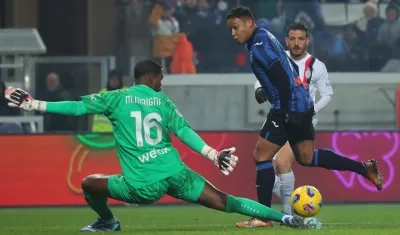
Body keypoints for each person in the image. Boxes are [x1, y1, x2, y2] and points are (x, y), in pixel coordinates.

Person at [4, 59, 322, 232]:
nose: (162, 82)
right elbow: (184, 132)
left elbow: (76, 107)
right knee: (228, 201)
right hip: (176, 174)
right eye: (161, 77)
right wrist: (213, 154)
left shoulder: (114, 98)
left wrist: (35, 105)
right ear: (153, 77)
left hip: (142, 185)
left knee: (89, 183)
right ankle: (289, 220)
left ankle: (108, 223)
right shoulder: (162, 102)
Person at [226, 6, 383, 228]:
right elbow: (286, 66)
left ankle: (263, 217)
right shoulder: (263, 37)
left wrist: (285, 108)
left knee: (261, 155)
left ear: (249, 23)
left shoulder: (259, 45)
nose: (233, 33)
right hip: (301, 104)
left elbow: (280, 74)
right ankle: (363, 168)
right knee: (306, 157)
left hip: (286, 106)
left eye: (235, 27)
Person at [253, 22, 334, 218]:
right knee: (265, 168)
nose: (296, 43)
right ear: (286, 41)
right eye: (293, 39)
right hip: (279, 116)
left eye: (300, 39)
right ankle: (293, 209)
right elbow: (260, 78)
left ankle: (288, 212)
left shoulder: (317, 66)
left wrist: (309, 111)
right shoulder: (278, 59)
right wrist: (258, 89)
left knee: (282, 162)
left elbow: (327, 94)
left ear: (307, 41)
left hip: (302, 121)